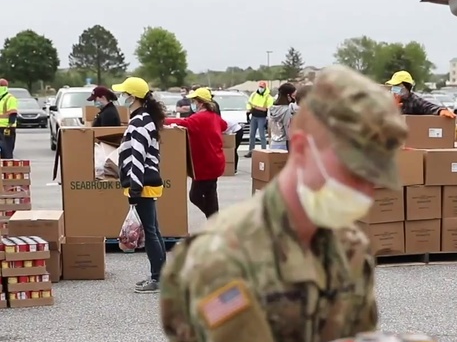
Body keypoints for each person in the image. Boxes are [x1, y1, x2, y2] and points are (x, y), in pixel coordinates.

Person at [159, 65, 409, 342]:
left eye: (373, 177)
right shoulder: (218, 257)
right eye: (353, 171)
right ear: (301, 148)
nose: (364, 190)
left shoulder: (351, 247)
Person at [112, 77, 167, 294]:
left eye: (123, 94)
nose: (121, 97)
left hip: (142, 183)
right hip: (146, 181)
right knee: (154, 230)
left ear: (132, 97)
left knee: (151, 232)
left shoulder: (139, 122)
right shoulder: (144, 118)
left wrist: (134, 187)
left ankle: (157, 278)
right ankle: (160, 275)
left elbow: (137, 156)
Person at [165, 88, 227, 218]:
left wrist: (162, 120)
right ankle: (214, 221)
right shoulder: (214, 117)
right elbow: (224, 125)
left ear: (201, 103)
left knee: (195, 196)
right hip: (215, 161)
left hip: (204, 164)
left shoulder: (199, 118)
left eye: (194, 101)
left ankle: (215, 220)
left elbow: (182, 122)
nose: (193, 104)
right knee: (211, 194)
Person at [385, 71, 456, 118]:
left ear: (406, 87)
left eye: (397, 86)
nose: (394, 89)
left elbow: (428, 107)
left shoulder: (414, 100)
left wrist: (441, 111)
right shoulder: (387, 99)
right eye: (393, 86)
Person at [244, 80, 273, 158]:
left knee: (262, 135)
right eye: (260, 86)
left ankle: (264, 151)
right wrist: (249, 109)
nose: (260, 88)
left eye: (262, 87)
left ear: (265, 87)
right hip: (254, 116)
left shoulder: (268, 97)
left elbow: (267, 108)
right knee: (252, 134)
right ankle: (250, 151)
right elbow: (249, 103)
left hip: (262, 117)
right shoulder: (254, 94)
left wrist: (256, 107)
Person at [268, 82, 296, 150]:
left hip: (273, 142)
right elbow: (287, 128)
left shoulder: (271, 108)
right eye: (293, 95)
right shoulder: (287, 110)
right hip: (284, 144)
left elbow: (269, 127)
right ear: (288, 96)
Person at [0, 79, 18, 159]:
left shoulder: (10, 98)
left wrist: (10, 125)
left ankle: (7, 166)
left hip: (6, 127)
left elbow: (13, 112)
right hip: (3, 127)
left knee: (7, 148)